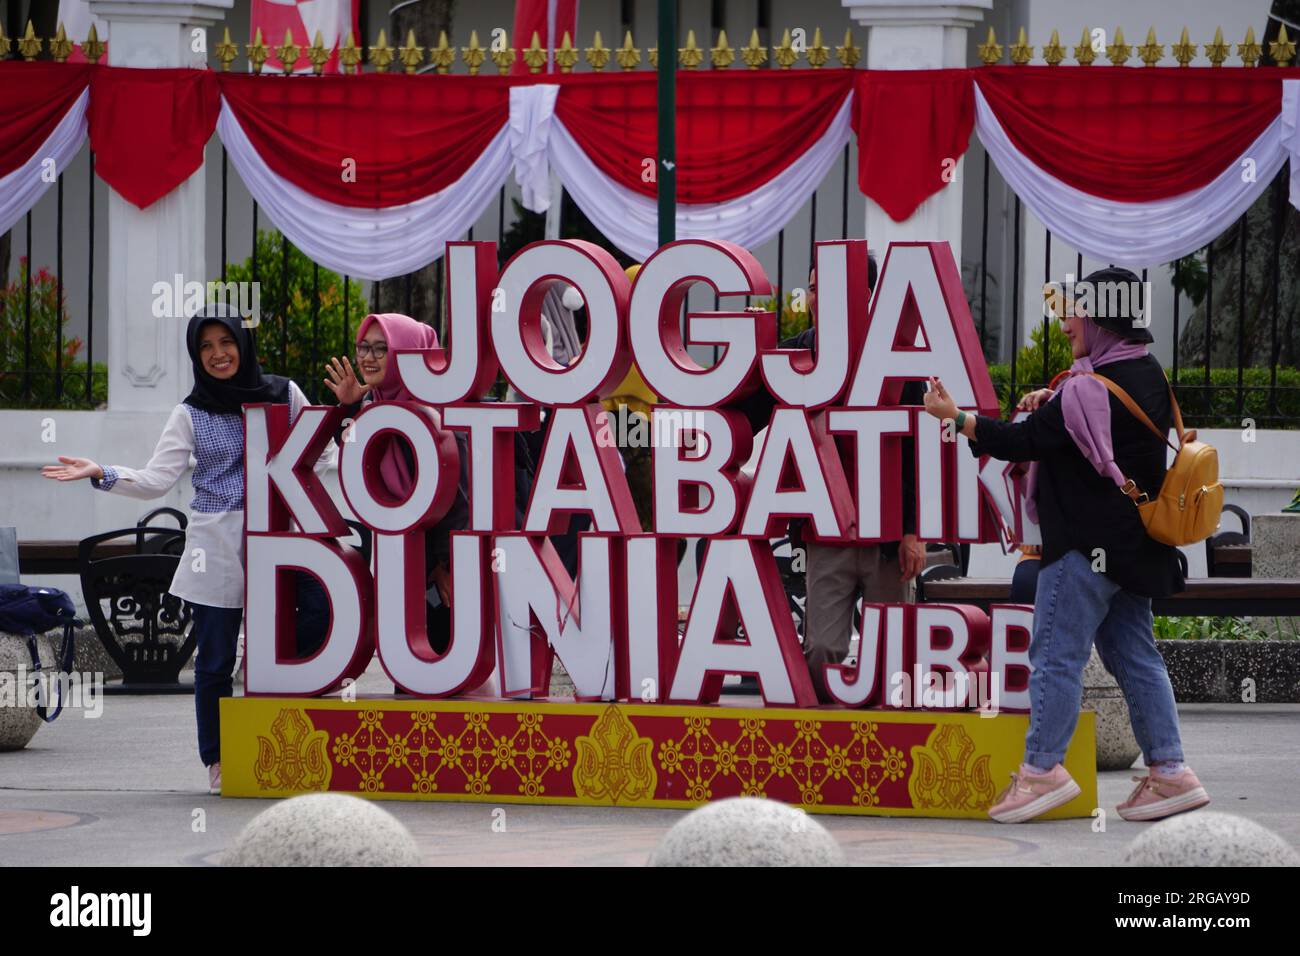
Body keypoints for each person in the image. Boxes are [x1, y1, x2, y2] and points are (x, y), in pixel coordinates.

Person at [923, 267, 1209, 824]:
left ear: (1100, 317)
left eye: (1076, 311)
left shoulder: (1083, 390)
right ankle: (1171, 772)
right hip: (1131, 548)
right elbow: (1077, 424)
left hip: (1082, 548)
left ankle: (1041, 773)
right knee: (1135, 657)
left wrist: (955, 417)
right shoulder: (1142, 372)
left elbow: (1021, 440)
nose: (1068, 322)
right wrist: (1053, 397)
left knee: (1055, 657)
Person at [42, 304, 335, 794]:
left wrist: (296, 472)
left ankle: (284, 741)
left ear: (243, 344)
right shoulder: (191, 411)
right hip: (215, 542)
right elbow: (158, 479)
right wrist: (102, 473)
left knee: (315, 619)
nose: (219, 354)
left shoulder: (284, 393)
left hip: (281, 535)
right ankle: (218, 759)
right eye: (206, 346)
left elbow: (323, 450)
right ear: (196, 355)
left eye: (226, 343)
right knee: (215, 660)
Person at [740, 262, 927, 704]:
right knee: (822, 651)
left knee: (892, 664)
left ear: (864, 294)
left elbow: (918, 454)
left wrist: (913, 531)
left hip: (888, 539)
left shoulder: (895, 357)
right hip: (827, 535)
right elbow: (741, 419)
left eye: (831, 288)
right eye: (812, 289)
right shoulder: (795, 358)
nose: (817, 299)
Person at [324, 313, 469, 659]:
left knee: (439, 670)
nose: (368, 358)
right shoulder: (376, 404)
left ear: (408, 354)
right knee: (409, 671)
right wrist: (349, 405)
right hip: (401, 559)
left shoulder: (434, 414)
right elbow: (355, 450)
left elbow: (459, 497)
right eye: (363, 347)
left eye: (381, 349)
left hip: (439, 565)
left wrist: (444, 564)